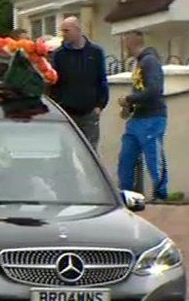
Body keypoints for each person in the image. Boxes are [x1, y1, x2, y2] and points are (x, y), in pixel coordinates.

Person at [118, 30, 168, 201]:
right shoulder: (137, 64)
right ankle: (126, 195)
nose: (123, 45)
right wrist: (129, 106)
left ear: (132, 41)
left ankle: (161, 194)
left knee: (154, 157)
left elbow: (154, 90)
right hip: (137, 118)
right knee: (126, 158)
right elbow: (140, 89)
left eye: (125, 40)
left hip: (152, 117)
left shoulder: (150, 61)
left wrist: (129, 99)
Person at [49, 16, 108, 150]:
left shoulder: (95, 52)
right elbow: (54, 82)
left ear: (77, 30)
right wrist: (58, 104)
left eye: (66, 31)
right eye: (62, 31)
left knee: (90, 149)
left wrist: (100, 105)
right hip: (67, 111)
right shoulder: (59, 54)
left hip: (89, 111)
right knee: (66, 149)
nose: (63, 34)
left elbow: (102, 80)